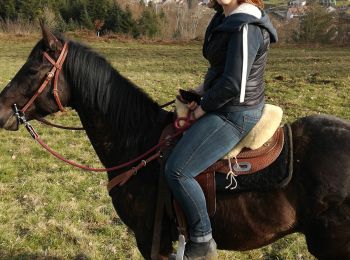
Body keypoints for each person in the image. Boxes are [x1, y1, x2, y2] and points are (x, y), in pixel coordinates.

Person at [165, 0, 278, 258]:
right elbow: (219, 69)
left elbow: (233, 83)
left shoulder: (246, 26)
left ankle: (203, 241)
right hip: (222, 103)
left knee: (178, 170)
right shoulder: (223, 19)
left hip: (236, 113)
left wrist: (202, 107)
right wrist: (198, 91)